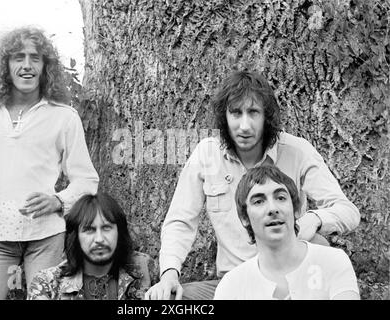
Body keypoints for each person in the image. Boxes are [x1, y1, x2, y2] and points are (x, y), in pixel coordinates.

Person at [145, 70, 360, 300]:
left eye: (253, 112)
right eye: (236, 113)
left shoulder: (297, 151)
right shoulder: (207, 154)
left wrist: (315, 219)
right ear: (224, 117)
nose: (244, 126)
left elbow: (347, 211)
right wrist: (169, 274)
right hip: (232, 284)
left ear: (266, 116)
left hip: (291, 279)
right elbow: (180, 220)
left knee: (320, 246)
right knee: (169, 300)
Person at [0, 26, 99, 299]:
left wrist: (59, 201)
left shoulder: (64, 117)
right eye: (18, 57)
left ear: (46, 66)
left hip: (46, 238)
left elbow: (87, 180)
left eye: (35, 58)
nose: (27, 65)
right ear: (5, 65)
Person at [214, 165, 360, 299]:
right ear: (245, 218)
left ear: (295, 210)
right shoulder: (232, 285)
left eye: (281, 198)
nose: (272, 208)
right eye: (258, 201)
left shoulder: (332, 261)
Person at [27, 193, 154, 300]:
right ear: (76, 237)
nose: (99, 239)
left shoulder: (145, 269)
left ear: (119, 232)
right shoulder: (48, 284)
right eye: (89, 230)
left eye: (106, 228)